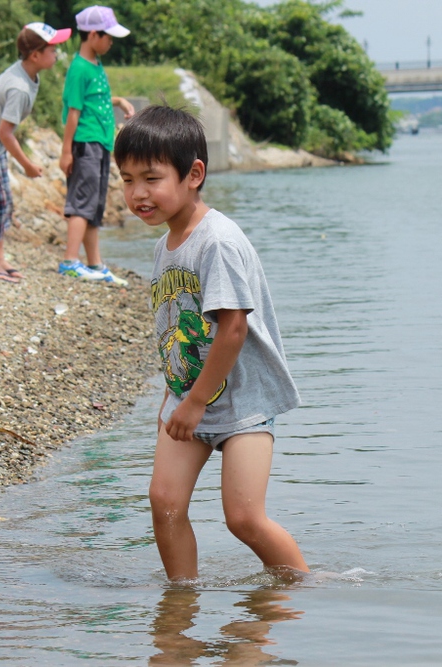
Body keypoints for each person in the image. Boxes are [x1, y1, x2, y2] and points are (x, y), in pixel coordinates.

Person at [113, 105, 309, 582]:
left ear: (194, 174)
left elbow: (233, 328)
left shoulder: (216, 241)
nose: (138, 193)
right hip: (189, 400)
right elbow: (175, 327)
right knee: (165, 503)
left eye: (152, 179)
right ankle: (181, 601)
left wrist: (196, 402)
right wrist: (174, 398)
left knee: (244, 518)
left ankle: (304, 590)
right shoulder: (165, 245)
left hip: (242, 402)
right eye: (127, 180)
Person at [0, 23, 70, 283]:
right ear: (35, 55)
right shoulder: (19, 87)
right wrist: (27, 165)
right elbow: (5, 132)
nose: (57, 54)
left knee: (3, 199)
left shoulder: (28, 75)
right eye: (52, 49)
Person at [57, 5, 134, 285]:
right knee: (82, 202)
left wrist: (119, 101)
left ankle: (95, 264)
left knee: (95, 204)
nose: (111, 41)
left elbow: (95, 99)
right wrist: (66, 151)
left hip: (100, 143)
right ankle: (70, 261)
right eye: (108, 36)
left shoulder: (95, 64)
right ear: (92, 35)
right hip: (85, 143)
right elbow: (74, 111)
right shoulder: (79, 69)